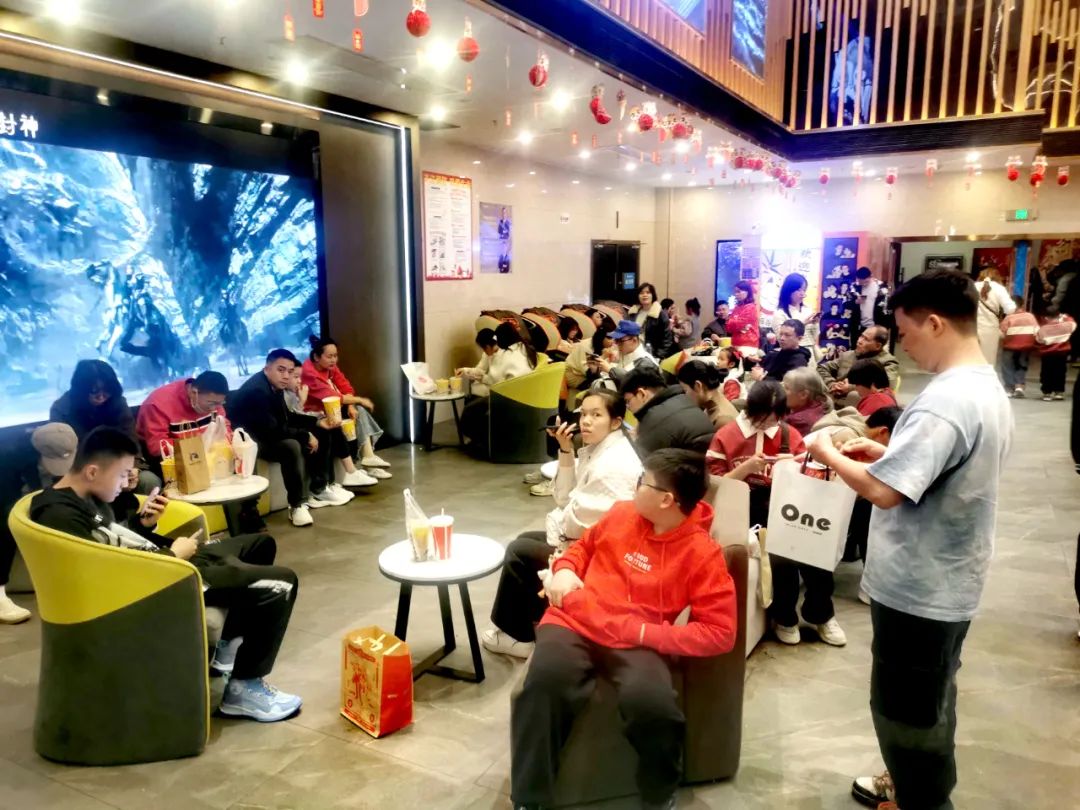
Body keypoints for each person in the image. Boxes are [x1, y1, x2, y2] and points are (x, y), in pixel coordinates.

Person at [806, 270, 1013, 810]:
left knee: (906, 710)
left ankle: (920, 798)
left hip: (921, 586)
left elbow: (883, 492)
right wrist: (888, 455)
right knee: (933, 697)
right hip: (951, 574)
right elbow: (944, 469)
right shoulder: (982, 385)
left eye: (905, 332)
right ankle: (912, 786)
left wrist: (826, 451)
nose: (903, 345)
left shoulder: (947, 400)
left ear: (936, 323)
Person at [510, 449, 737, 810]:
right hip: (574, 621)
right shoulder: (621, 513)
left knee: (653, 706)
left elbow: (719, 632)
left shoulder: (701, 553)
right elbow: (582, 547)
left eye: (642, 481)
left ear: (667, 500)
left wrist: (645, 634)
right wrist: (565, 569)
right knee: (544, 684)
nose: (635, 485)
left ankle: (658, 794)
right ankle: (529, 798)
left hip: (636, 639)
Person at [30, 427, 303, 722]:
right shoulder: (59, 516)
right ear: (93, 471)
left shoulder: (85, 493)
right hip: (160, 581)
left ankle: (226, 647)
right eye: (122, 475)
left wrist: (144, 525)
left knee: (260, 544)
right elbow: (105, 578)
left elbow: (115, 543)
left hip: (161, 562)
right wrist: (173, 556)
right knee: (281, 583)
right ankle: (243, 690)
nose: (127, 482)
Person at [483, 390, 642, 659]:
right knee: (525, 539)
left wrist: (558, 523)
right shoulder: (602, 448)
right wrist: (565, 449)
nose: (586, 421)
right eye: (584, 414)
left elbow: (573, 525)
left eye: (596, 415)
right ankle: (530, 621)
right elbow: (565, 498)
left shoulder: (612, 465)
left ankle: (516, 638)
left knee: (519, 551)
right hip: (592, 542)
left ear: (616, 421)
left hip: (605, 557)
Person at [706, 381, 844, 646]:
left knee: (817, 552)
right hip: (744, 507)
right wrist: (746, 468)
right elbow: (716, 486)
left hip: (787, 504)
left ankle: (822, 614)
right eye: (761, 417)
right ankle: (785, 617)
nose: (767, 423)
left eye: (774, 417)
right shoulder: (726, 435)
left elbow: (809, 477)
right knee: (781, 558)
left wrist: (792, 466)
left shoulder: (788, 434)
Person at [228, 349, 350, 528]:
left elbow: (285, 418)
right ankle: (296, 505)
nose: (286, 376)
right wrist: (305, 435)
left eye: (290, 371)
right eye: (281, 370)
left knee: (322, 430)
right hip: (250, 442)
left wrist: (316, 422)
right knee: (290, 446)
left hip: (266, 433)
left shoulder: (274, 385)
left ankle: (319, 488)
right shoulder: (257, 391)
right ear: (267, 369)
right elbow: (272, 430)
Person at [50, 360, 157, 492]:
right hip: (82, 472)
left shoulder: (117, 403)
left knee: (149, 481)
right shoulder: (62, 410)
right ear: (80, 391)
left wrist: (134, 468)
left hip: (118, 465)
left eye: (107, 391)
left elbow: (130, 439)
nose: (101, 397)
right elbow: (63, 456)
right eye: (94, 392)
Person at [301, 335, 389, 484]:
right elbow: (333, 396)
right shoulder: (308, 373)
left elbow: (345, 387)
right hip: (315, 415)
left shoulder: (330, 367)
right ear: (316, 357)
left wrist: (351, 405)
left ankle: (368, 460)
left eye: (335, 356)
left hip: (332, 409)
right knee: (340, 424)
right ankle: (361, 465)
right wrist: (360, 400)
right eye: (329, 356)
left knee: (357, 412)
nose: (334, 360)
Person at [462, 322, 539, 452]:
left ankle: (483, 444)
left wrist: (480, 377)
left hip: (508, 398)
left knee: (470, 410)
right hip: (526, 396)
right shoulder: (524, 348)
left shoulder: (508, 355)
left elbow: (494, 380)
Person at [136, 370, 232, 468]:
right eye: (211, 403)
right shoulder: (157, 404)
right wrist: (197, 446)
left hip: (205, 457)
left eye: (219, 403)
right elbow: (157, 447)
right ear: (194, 393)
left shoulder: (214, 400)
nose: (214, 408)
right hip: (166, 461)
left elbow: (224, 429)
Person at [619, 365, 716, 458]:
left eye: (628, 401)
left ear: (642, 394)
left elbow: (642, 460)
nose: (628, 407)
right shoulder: (682, 399)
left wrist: (636, 439)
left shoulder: (654, 420)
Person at [817, 325, 899, 406]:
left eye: (866, 339)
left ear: (878, 346)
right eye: (861, 336)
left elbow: (885, 386)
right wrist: (832, 384)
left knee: (854, 395)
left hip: (859, 406)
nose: (859, 341)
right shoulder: (848, 355)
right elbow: (821, 368)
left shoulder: (888, 362)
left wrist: (850, 388)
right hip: (832, 401)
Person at [590, 320, 657, 388]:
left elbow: (634, 383)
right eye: (616, 340)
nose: (617, 344)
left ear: (634, 340)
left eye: (620, 341)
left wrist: (610, 370)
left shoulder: (646, 361)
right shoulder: (625, 354)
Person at [677, 359, 738, 429]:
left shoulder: (722, 420)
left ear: (697, 386)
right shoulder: (713, 402)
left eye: (685, 391)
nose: (685, 396)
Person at [999, 295, 1039, 397]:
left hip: (1009, 346)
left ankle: (1009, 388)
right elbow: (1037, 330)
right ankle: (1019, 387)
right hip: (1026, 346)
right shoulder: (1030, 316)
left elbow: (1002, 333)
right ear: (1022, 304)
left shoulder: (1008, 318)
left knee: (1007, 366)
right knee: (1022, 365)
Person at [974, 266, 1016, 364]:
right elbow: (1010, 309)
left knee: (970, 359)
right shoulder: (999, 288)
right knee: (988, 360)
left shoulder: (973, 286)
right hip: (990, 330)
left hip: (971, 328)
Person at [771, 273, 821, 352]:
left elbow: (814, 337)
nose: (802, 293)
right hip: (792, 354)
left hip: (810, 352)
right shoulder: (780, 313)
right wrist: (803, 324)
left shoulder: (807, 310)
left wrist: (816, 323)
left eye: (804, 290)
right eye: (799, 290)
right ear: (789, 290)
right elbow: (781, 340)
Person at [1036, 311, 1076, 401]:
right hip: (1061, 353)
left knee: (1046, 373)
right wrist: (1065, 317)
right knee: (1060, 372)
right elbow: (1073, 324)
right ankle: (1059, 392)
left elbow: (1038, 340)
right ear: (1059, 316)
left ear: (1047, 317)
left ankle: (1047, 392)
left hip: (1047, 354)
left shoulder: (1044, 328)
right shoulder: (1066, 326)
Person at [782, 367, 833, 437]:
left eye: (786, 388)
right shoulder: (821, 403)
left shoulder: (798, 421)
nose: (782, 391)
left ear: (803, 395)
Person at [627, 282, 672, 359]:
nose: (644, 295)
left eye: (648, 292)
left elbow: (667, 340)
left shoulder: (660, 314)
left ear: (653, 295)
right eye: (641, 293)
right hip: (633, 353)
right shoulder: (633, 313)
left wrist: (658, 357)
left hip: (651, 355)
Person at [455, 328, 499, 397]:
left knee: (471, 389)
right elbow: (480, 369)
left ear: (487, 347)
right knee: (471, 387)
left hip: (500, 388)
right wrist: (464, 370)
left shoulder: (502, 354)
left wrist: (480, 378)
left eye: (483, 348)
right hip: (490, 384)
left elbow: (496, 380)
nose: (484, 351)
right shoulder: (488, 353)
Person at [848, 267, 890, 335]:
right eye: (861, 282)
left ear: (871, 276)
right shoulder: (855, 287)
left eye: (866, 282)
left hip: (877, 325)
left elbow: (886, 306)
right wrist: (855, 302)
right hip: (858, 325)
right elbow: (845, 303)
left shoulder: (881, 287)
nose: (864, 284)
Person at [725, 281, 760, 356]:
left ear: (747, 292)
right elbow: (728, 328)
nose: (736, 294)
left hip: (748, 345)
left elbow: (737, 324)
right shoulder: (736, 308)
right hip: (735, 343)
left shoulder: (751, 307)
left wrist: (731, 321)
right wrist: (732, 322)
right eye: (735, 292)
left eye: (739, 291)